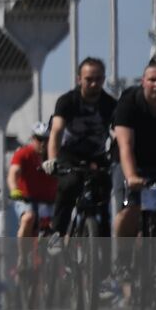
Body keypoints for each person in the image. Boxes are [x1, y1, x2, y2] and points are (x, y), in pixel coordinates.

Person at [112, 58, 156, 274]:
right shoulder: (129, 103)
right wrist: (131, 177)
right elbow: (125, 146)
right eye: (152, 80)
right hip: (131, 164)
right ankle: (123, 259)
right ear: (143, 82)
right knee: (130, 209)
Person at [47, 57, 117, 242]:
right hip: (69, 155)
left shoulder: (110, 104)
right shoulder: (67, 101)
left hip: (97, 156)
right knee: (69, 184)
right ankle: (57, 233)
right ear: (79, 79)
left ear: (103, 79)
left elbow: (120, 134)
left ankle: (104, 246)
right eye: (88, 79)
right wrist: (52, 160)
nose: (94, 83)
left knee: (104, 191)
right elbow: (56, 132)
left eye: (98, 78)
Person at [9, 123, 56, 239]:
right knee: (28, 218)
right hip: (27, 200)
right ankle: (23, 257)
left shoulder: (55, 155)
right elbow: (13, 173)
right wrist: (14, 190)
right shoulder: (23, 154)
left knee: (65, 222)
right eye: (40, 139)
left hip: (50, 201)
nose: (43, 143)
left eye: (46, 140)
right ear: (33, 139)